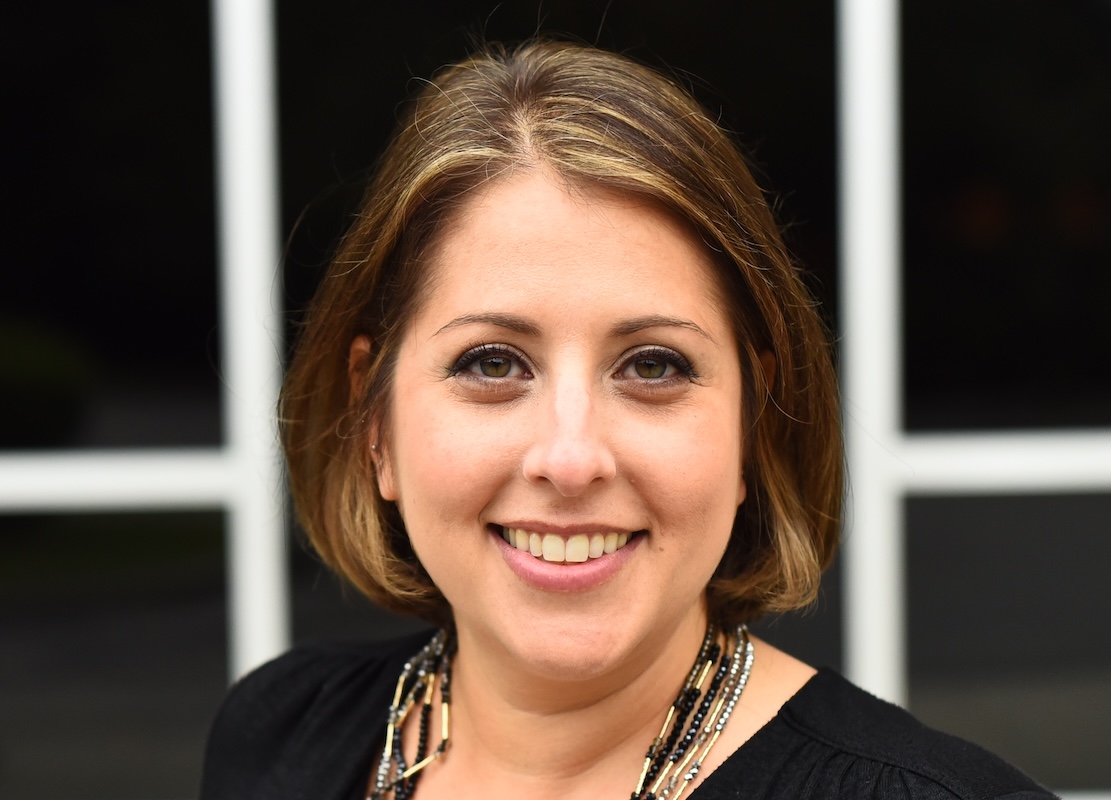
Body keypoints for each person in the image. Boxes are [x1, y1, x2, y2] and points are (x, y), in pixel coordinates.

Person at [200, 40, 1054, 800]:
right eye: (492, 362)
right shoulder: (280, 732)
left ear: (754, 423)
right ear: (374, 420)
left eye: (653, 365)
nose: (571, 460)